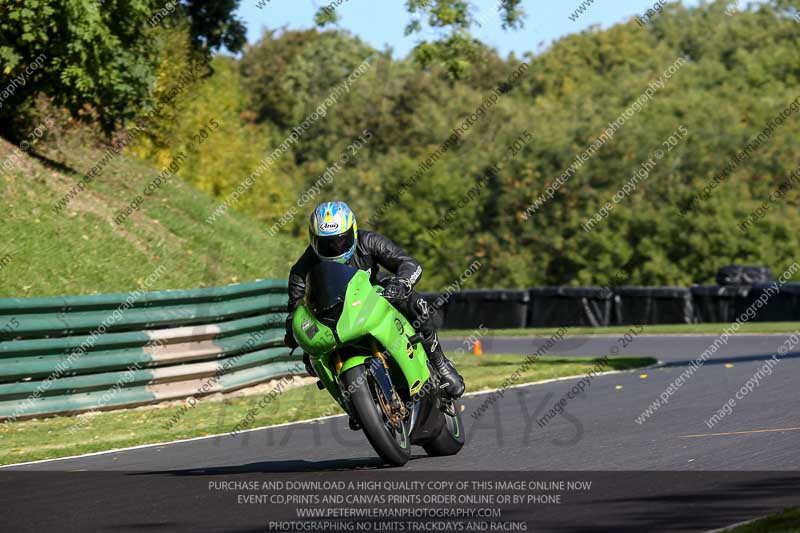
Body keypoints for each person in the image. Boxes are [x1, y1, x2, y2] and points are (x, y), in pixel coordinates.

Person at [283, 200, 465, 399]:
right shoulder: (301, 269)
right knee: (311, 359)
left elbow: (409, 263)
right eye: (326, 244)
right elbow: (296, 307)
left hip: (375, 297)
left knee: (416, 304)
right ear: (313, 241)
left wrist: (401, 283)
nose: (335, 248)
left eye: (341, 241)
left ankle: (441, 364)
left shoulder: (368, 241)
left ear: (352, 232)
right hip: (332, 318)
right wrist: (293, 330)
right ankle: (353, 402)